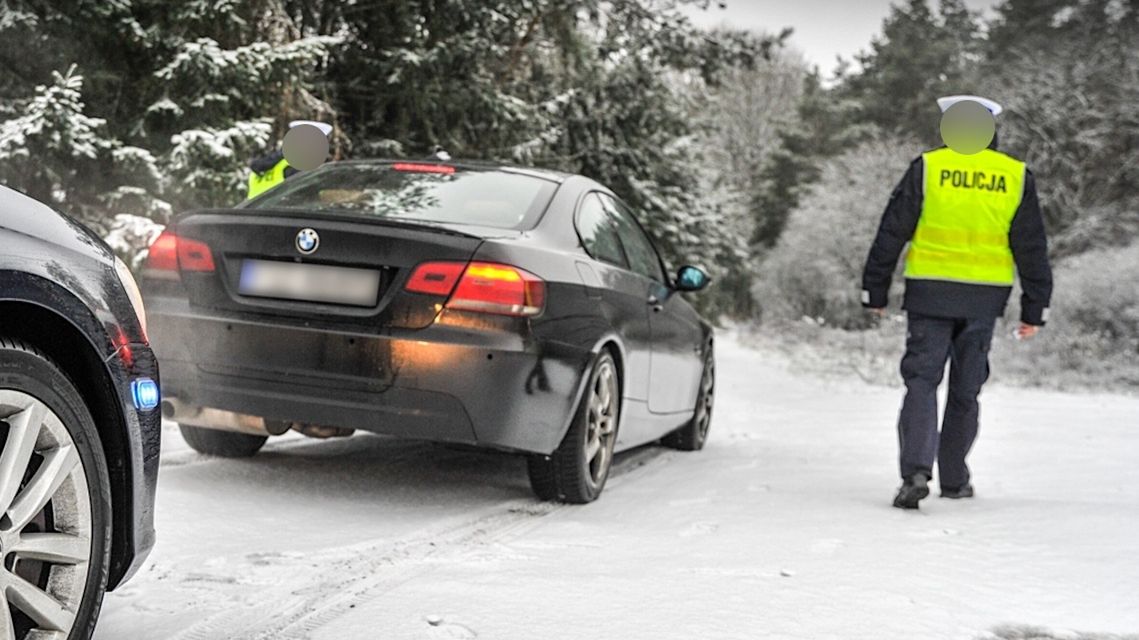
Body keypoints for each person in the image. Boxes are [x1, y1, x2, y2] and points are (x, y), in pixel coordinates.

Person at [861, 95, 1053, 510]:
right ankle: (954, 479)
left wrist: (874, 290)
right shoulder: (1016, 176)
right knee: (966, 389)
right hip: (985, 300)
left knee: (922, 381)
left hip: (929, 294)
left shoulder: (928, 168)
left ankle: (915, 473)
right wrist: (1035, 308)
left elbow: (891, 231)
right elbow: (1033, 248)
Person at [245, 120, 332, 199]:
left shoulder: (270, 162)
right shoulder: (296, 168)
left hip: (252, 213)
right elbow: (309, 200)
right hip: (282, 214)